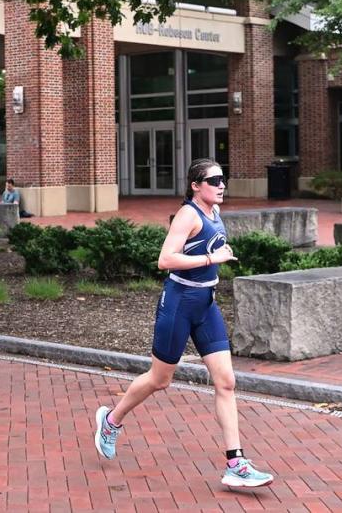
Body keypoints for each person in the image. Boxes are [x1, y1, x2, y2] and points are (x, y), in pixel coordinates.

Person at [92, 158, 274, 489]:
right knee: (160, 380)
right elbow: (165, 259)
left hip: (205, 305)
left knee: (227, 382)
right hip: (178, 304)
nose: (222, 185)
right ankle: (111, 420)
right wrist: (211, 259)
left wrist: (215, 267)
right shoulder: (189, 214)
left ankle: (236, 463)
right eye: (214, 180)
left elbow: (209, 249)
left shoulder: (214, 212)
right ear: (195, 186)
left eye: (224, 178)